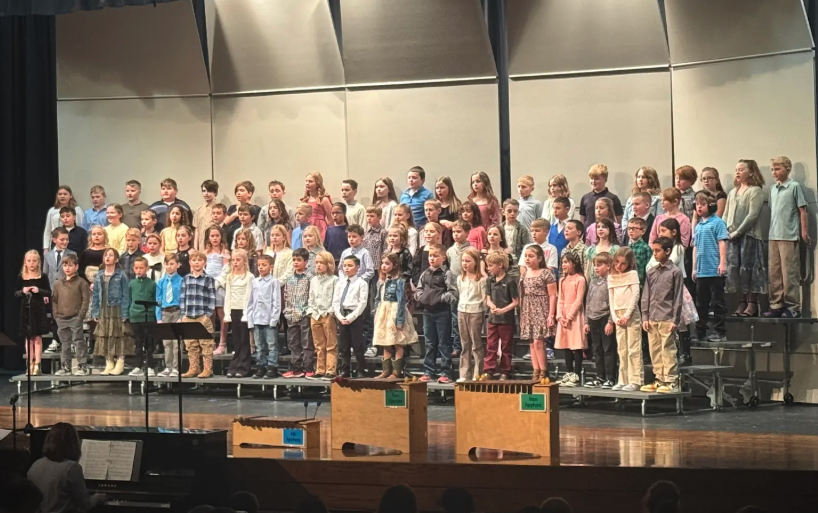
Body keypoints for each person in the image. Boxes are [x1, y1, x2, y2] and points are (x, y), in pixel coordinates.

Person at [27, 423, 107, 513]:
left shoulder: (36, 465)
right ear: (74, 443)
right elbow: (85, 505)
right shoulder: (71, 468)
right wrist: (96, 498)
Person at [765, 156, 809, 318]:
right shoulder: (773, 189)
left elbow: (802, 211)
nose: (774, 172)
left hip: (789, 236)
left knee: (789, 272)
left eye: (778, 169)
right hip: (773, 235)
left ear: (787, 170)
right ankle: (776, 304)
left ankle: (792, 307)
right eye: (772, 169)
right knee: (774, 272)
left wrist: (803, 232)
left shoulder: (794, 187)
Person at [723, 159, 767, 318]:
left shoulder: (755, 191)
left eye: (741, 169)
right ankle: (740, 302)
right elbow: (726, 214)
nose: (737, 172)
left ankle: (752, 304)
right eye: (736, 169)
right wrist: (726, 230)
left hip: (749, 237)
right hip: (732, 238)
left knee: (749, 269)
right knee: (735, 270)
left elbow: (752, 215)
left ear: (751, 172)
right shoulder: (732, 192)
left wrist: (739, 231)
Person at [641, 237, 684, 393]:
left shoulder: (675, 272)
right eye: (653, 250)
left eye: (658, 250)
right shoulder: (651, 272)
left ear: (668, 251)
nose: (655, 253)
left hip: (667, 317)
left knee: (668, 350)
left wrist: (675, 319)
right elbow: (646, 295)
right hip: (653, 317)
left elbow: (678, 297)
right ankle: (659, 379)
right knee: (655, 350)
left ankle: (672, 380)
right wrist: (645, 316)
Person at [416, 244, 459, 383]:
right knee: (429, 343)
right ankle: (429, 371)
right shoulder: (425, 273)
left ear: (443, 257)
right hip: (427, 313)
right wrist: (422, 297)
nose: (432, 258)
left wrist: (439, 298)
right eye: (430, 256)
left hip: (442, 313)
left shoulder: (447, 273)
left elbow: (453, 293)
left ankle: (446, 372)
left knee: (443, 343)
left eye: (435, 256)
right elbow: (418, 290)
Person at [374, 253, 418, 378]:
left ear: (394, 265)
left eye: (387, 263)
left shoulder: (399, 282)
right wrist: (377, 312)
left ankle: (396, 371)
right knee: (386, 341)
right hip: (384, 311)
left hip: (395, 311)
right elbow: (378, 298)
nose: (384, 266)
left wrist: (399, 320)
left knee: (398, 341)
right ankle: (386, 370)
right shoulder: (381, 281)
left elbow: (401, 301)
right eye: (382, 263)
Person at [91, 248, 133, 376]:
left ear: (116, 259)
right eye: (106, 255)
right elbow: (96, 295)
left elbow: (126, 295)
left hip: (117, 308)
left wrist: (125, 312)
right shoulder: (99, 275)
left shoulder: (121, 275)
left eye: (111, 255)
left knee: (119, 335)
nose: (108, 257)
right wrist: (95, 311)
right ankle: (109, 362)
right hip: (104, 309)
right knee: (105, 335)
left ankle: (120, 362)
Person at [693, 191, 728, 343]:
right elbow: (695, 247)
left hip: (714, 270)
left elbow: (722, 243)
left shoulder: (718, 223)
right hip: (702, 271)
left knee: (717, 302)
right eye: (697, 205)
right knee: (701, 303)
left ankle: (720, 332)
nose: (699, 207)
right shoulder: (699, 225)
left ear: (711, 206)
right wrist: (694, 268)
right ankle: (700, 331)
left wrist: (722, 263)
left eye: (702, 204)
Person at [519, 245, 556, 381]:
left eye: (531, 256)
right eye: (526, 256)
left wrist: (551, 315)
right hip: (528, 309)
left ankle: (544, 371)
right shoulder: (524, 274)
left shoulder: (546, 273)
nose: (527, 259)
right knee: (531, 343)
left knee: (539, 342)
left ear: (540, 258)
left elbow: (553, 295)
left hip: (541, 308)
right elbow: (522, 295)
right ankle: (535, 370)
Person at [607, 248, 642, 391]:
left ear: (629, 263)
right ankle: (623, 379)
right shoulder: (611, 276)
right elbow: (611, 298)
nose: (619, 267)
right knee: (621, 349)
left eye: (623, 264)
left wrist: (627, 315)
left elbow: (635, 295)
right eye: (617, 263)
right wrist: (615, 317)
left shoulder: (632, 274)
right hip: (617, 314)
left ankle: (635, 380)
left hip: (631, 313)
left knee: (633, 348)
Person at [179, 251, 217, 378]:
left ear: (204, 263)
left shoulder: (208, 279)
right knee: (190, 344)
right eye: (194, 260)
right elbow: (183, 296)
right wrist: (183, 314)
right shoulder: (186, 279)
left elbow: (212, 297)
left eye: (199, 260)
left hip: (202, 316)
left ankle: (208, 369)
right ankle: (194, 368)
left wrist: (208, 314)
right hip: (189, 315)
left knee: (206, 343)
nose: (196, 263)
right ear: (190, 262)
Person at [53, 254, 90, 377]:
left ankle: (82, 366)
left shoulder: (81, 282)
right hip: (62, 318)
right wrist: (56, 315)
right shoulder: (58, 283)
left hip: (75, 317)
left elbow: (85, 300)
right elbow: (54, 300)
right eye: (65, 265)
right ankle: (65, 367)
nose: (67, 268)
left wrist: (80, 315)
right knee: (65, 343)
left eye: (70, 265)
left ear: (76, 266)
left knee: (78, 341)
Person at [584, 252, 617, 389]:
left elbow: (613, 301)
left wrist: (610, 321)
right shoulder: (593, 281)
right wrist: (586, 321)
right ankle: (600, 376)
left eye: (600, 265)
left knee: (608, 349)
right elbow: (588, 301)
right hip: (593, 318)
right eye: (595, 265)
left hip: (605, 318)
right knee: (597, 349)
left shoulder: (612, 281)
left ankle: (610, 377)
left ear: (608, 266)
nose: (596, 268)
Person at [484, 251, 519, 380]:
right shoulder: (490, 280)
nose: (488, 268)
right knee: (491, 345)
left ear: (500, 265)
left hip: (506, 319)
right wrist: (492, 306)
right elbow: (488, 299)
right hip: (493, 318)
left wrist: (503, 310)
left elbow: (516, 301)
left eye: (491, 265)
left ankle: (505, 371)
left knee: (506, 346)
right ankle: (489, 370)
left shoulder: (510, 281)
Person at [246, 254, 282, 379]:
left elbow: (277, 302)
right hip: (257, 318)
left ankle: (272, 367)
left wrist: (274, 320)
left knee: (271, 345)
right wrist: (250, 320)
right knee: (259, 346)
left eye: (264, 265)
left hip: (268, 319)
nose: (260, 267)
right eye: (259, 265)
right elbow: (250, 302)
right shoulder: (254, 282)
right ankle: (260, 366)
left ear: (271, 267)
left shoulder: (274, 282)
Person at [334, 255, 370, 378]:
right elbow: (336, 301)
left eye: (350, 265)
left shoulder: (362, 283)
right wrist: (339, 316)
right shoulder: (340, 283)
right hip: (342, 314)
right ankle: (345, 369)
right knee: (343, 345)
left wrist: (351, 317)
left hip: (355, 315)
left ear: (358, 267)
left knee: (357, 344)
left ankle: (361, 369)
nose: (347, 268)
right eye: (345, 266)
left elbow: (362, 303)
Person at [555, 251, 586, 387]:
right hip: (564, 316)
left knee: (576, 345)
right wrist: (560, 315)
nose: (564, 265)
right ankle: (569, 373)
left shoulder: (580, 279)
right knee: (566, 345)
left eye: (567, 262)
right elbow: (560, 299)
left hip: (575, 315)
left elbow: (578, 300)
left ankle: (577, 375)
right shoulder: (562, 280)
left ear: (574, 263)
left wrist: (570, 316)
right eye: (563, 262)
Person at [221, 249, 254, 378]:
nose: (235, 262)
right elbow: (228, 295)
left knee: (244, 339)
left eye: (238, 260)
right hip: (233, 310)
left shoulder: (249, 276)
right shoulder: (230, 276)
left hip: (244, 310)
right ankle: (234, 365)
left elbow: (248, 296)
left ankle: (244, 367)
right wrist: (227, 313)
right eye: (233, 260)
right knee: (236, 340)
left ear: (244, 261)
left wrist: (246, 313)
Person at [282, 248, 314, 378]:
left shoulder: (310, 277)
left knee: (306, 343)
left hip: (304, 314)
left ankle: (308, 368)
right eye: (294, 260)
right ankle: (296, 369)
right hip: (291, 314)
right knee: (293, 343)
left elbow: (312, 295)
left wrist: (307, 310)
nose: (296, 262)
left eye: (299, 260)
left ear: (306, 262)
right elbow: (286, 294)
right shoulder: (289, 278)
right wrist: (287, 310)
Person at [456, 248, 486, 382]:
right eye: (463, 261)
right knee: (465, 344)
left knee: (476, 344)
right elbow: (460, 294)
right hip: (462, 311)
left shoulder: (481, 280)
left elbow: (484, 298)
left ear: (475, 262)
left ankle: (477, 373)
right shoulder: (460, 278)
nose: (464, 263)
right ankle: (464, 373)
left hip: (475, 312)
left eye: (468, 261)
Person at [307, 251, 338, 379]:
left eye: (321, 263)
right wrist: (311, 311)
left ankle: (331, 370)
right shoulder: (314, 280)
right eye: (317, 263)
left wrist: (330, 312)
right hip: (315, 315)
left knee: (331, 344)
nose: (318, 265)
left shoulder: (334, 280)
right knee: (319, 345)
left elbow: (336, 298)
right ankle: (320, 369)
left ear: (329, 264)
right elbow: (311, 297)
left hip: (328, 314)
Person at [127, 256, 157, 377]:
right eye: (136, 268)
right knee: (138, 343)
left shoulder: (152, 284)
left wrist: (152, 313)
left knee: (149, 343)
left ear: (147, 268)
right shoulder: (132, 283)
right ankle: (138, 366)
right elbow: (129, 299)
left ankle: (150, 366)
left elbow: (155, 299)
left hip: (149, 317)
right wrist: (129, 313)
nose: (139, 270)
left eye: (141, 268)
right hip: (135, 317)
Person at [156, 254, 183, 377]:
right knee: (167, 343)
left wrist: (182, 316)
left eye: (172, 264)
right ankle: (168, 367)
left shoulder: (182, 281)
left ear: (178, 265)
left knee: (176, 343)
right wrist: (158, 317)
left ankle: (176, 368)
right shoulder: (161, 282)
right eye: (167, 264)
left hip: (177, 312)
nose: (169, 266)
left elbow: (183, 299)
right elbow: (158, 300)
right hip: (165, 312)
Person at [446, 221, 471, 357]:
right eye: (454, 232)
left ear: (467, 233)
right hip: (454, 289)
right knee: (455, 320)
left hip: (468, 289)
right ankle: (457, 346)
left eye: (459, 231)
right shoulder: (450, 251)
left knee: (467, 320)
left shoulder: (471, 250)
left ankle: (469, 346)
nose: (456, 234)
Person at [205, 226, 231, 356]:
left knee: (222, 315)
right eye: (212, 236)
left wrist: (217, 283)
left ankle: (222, 343)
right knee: (210, 315)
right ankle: (211, 342)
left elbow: (226, 270)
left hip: (220, 286)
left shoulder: (225, 252)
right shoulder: (205, 253)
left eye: (217, 235)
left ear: (221, 237)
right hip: (208, 286)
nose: (215, 238)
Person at [43, 185, 84, 252]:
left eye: (65, 194)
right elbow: (47, 230)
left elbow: (80, 225)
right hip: (56, 241)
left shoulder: (77, 209)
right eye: (60, 194)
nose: (62, 196)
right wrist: (46, 248)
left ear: (70, 196)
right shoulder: (52, 210)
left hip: (73, 242)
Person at [302, 172, 333, 238]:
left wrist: (332, 232)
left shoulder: (324, 200)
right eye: (306, 181)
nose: (307, 183)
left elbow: (330, 218)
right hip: (307, 227)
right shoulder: (305, 200)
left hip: (320, 227)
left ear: (317, 184)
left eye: (310, 181)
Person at [194, 180, 219, 250]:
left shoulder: (219, 208)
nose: (206, 193)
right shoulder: (199, 209)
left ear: (215, 192)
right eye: (204, 191)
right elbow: (197, 229)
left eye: (209, 191)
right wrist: (196, 247)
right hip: (201, 245)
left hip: (215, 245)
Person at [626, 218, 651, 285]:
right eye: (629, 228)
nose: (631, 231)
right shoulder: (625, 247)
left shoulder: (646, 248)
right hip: (627, 282)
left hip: (640, 283)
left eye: (634, 228)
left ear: (642, 231)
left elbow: (648, 268)